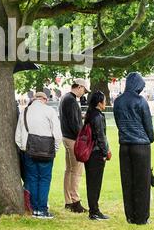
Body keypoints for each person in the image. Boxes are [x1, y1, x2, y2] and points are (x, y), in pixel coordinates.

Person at [113, 72, 154, 225]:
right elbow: (148, 124)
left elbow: (118, 122)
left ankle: (130, 215)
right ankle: (142, 217)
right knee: (142, 182)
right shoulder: (140, 101)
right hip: (141, 146)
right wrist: (150, 138)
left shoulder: (117, 102)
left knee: (127, 181)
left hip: (124, 146)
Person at [15, 92, 62, 219]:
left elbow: (18, 136)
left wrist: (24, 148)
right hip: (46, 151)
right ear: (45, 99)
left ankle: (35, 208)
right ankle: (42, 209)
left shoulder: (24, 112)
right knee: (45, 179)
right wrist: (55, 149)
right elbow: (57, 134)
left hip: (29, 151)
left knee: (32, 179)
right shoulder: (49, 111)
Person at [59, 78, 89, 213]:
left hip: (67, 137)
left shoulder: (65, 98)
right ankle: (75, 201)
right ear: (79, 87)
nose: (84, 93)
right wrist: (83, 138)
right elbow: (74, 123)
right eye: (84, 90)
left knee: (70, 170)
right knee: (76, 171)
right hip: (73, 139)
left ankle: (69, 201)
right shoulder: (71, 101)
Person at [84, 91, 111, 221]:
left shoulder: (90, 114)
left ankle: (93, 210)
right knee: (95, 183)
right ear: (99, 103)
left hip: (90, 153)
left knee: (91, 183)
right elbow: (101, 136)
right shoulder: (98, 116)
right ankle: (94, 211)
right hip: (96, 153)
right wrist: (105, 152)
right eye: (104, 100)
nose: (106, 103)